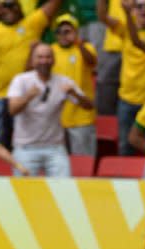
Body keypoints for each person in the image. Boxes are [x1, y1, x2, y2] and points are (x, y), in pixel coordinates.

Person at [0, 0, 64, 148]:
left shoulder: (31, 23)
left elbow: (54, 4)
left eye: (12, 4)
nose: (9, 9)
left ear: (20, 7)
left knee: (27, 143)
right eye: (4, 6)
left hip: (26, 95)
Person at [98, 0, 145, 155]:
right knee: (125, 147)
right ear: (133, 10)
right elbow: (103, 16)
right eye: (139, 6)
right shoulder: (125, 28)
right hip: (127, 99)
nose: (144, 10)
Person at [7, 43, 93, 177]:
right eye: (40, 57)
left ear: (53, 60)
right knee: (23, 193)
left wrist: (74, 94)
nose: (44, 61)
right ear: (32, 60)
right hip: (25, 147)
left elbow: (89, 106)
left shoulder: (63, 81)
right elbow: (12, 110)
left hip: (55, 147)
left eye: (48, 57)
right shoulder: (21, 80)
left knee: (64, 190)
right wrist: (27, 97)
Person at [51, 14, 98, 157]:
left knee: (83, 161)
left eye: (68, 31)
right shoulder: (50, 51)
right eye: (59, 32)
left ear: (75, 32)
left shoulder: (85, 47)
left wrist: (78, 42)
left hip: (81, 117)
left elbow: (92, 63)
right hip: (57, 119)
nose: (63, 35)